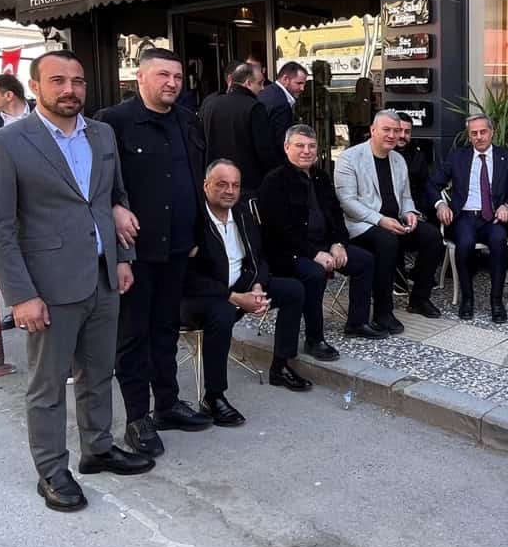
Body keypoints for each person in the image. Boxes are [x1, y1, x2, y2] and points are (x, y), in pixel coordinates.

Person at [0, 50, 153, 513]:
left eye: (77, 80)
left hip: (104, 277)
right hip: (48, 286)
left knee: (99, 372)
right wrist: (21, 296)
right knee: (49, 385)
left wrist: (123, 258)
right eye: (58, 80)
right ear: (35, 86)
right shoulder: (4, 144)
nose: (70, 89)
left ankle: (98, 448)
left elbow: (114, 198)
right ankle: (52, 471)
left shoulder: (102, 133)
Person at [94, 48, 211, 458]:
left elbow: (195, 177)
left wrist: (196, 232)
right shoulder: (113, 122)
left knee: (166, 329)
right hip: (136, 250)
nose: (172, 83)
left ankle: (167, 404)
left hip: (178, 247)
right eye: (163, 75)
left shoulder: (187, 120)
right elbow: (94, 181)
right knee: (133, 336)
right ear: (140, 78)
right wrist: (113, 207)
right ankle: (137, 418)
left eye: (177, 77)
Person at [184, 159, 310, 419]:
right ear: (206, 186)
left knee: (293, 290)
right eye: (222, 184)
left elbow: (258, 258)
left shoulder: (242, 213)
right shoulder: (192, 219)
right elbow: (188, 277)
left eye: (235, 185)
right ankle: (214, 396)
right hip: (200, 297)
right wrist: (234, 298)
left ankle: (281, 365)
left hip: (241, 285)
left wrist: (258, 286)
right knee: (222, 313)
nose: (230, 191)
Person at [259, 124, 381, 347]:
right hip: (290, 252)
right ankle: (315, 339)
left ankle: (357, 323)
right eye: (300, 145)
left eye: (312, 146)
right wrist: (314, 253)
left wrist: (338, 243)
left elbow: (336, 215)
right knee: (315, 274)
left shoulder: (321, 177)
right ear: (286, 147)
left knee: (364, 261)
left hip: (324, 245)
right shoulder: (274, 181)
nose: (306, 151)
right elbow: (280, 230)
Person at [335, 111, 445, 331]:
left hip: (394, 222)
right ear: (373, 130)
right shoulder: (349, 158)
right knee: (387, 241)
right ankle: (383, 312)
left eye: (396, 130)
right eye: (386, 130)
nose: (392, 135)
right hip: (361, 226)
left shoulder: (398, 159)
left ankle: (419, 299)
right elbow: (347, 202)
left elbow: (405, 197)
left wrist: (410, 212)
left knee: (432, 236)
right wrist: (380, 220)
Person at [429, 114, 508, 322]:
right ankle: (467, 299)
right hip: (465, 216)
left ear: (492, 132)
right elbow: (433, 184)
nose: (479, 137)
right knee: (465, 243)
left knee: (499, 241)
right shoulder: (458, 157)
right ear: (469, 136)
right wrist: (440, 204)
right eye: (474, 133)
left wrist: (506, 206)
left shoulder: (506, 157)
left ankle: (496, 301)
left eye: (483, 132)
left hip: (493, 218)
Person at [201, 61, 280, 198]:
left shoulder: (210, 104)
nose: (263, 88)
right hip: (246, 185)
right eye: (260, 83)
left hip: (214, 182)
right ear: (248, 83)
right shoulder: (255, 107)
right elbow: (265, 150)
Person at [393, 114, 431, 293]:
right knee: (394, 234)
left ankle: (419, 275)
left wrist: (419, 212)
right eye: (399, 130)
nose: (402, 135)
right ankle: (399, 280)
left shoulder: (418, 156)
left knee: (433, 235)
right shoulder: (382, 153)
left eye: (407, 132)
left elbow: (425, 187)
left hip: (413, 209)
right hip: (387, 211)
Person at [257, 61, 308, 151]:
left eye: (304, 84)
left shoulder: (266, 92)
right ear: (285, 79)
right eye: (299, 83)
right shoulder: (281, 104)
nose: (302, 88)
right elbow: (282, 142)